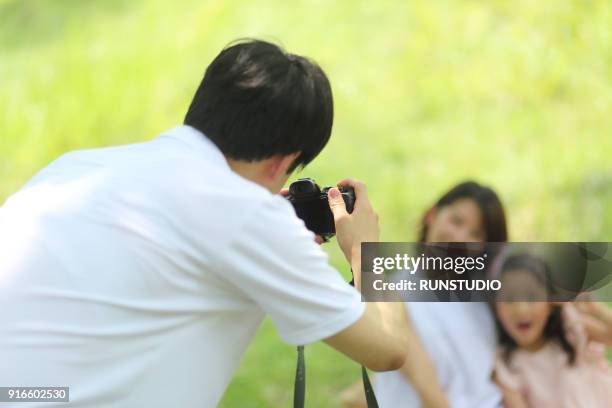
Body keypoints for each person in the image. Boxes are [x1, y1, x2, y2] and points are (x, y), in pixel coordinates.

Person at [0, 40, 424, 407]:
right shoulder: (248, 218)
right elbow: (387, 350)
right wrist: (366, 253)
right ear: (283, 162)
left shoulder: (75, 169)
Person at [342, 181, 508, 408]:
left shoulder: (487, 297)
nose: (460, 238)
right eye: (456, 220)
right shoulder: (394, 295)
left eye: (476, 233)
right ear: (432, 215)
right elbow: (427, 389)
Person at [493, 253, 612, 408]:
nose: (521, 309)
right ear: (496, 308)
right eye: (509, 299)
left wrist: (594, 308)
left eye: (531, 298)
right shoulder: (506, 366)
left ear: (550, 303)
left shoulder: (570, 328)